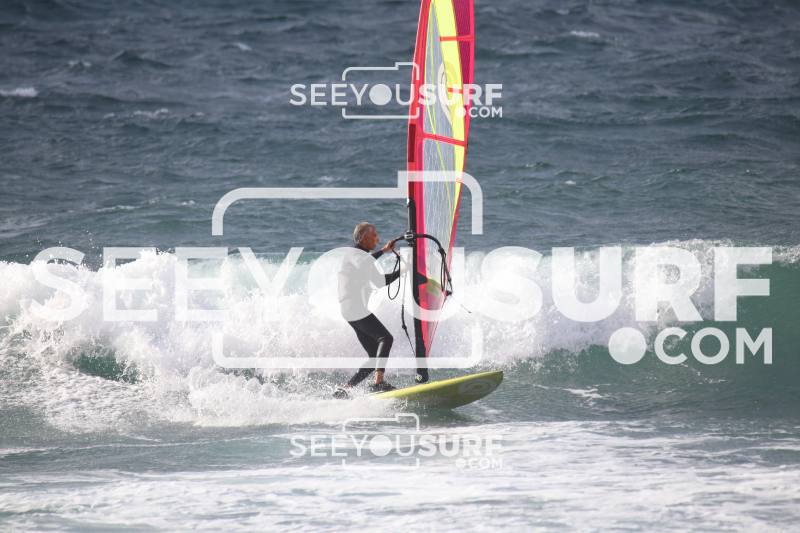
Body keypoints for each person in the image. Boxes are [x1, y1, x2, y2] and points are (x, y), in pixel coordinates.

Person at [333, 222, 402, 399]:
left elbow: (380, 281)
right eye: (374, 236)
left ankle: (346, 389)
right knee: (386, 338)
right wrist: (385, 250)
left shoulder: (365, 259)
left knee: (374, 356)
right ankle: (379, 382)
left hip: (352, 309)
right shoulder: (353, 253)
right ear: (364, 238)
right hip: (352, 307)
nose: (378, 239)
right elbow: (362, 264)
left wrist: (403, 271)